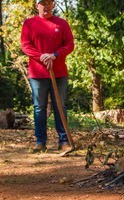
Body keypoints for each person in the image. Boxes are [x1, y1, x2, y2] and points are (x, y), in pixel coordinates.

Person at [21, 0, 74, 152]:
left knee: (60, 106)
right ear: (37, 5)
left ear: (53, 5)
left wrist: (55, 55)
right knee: (39, 107)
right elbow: (25, 45)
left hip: (59, 73)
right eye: (42, 3)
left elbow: (69, 45)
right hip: (37, 73)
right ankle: (40, 142)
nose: (46, 6)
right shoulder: (29, 24)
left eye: (49, 2)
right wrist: (43, 57)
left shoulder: (61, 24)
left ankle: (63, 141)